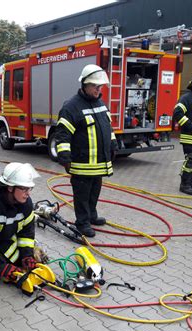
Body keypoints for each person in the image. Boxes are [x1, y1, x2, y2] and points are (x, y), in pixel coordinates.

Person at [55, 64, 118, 238]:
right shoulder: (71, 107)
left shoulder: (100, 103)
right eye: (95, 86)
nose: (99, 90)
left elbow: (108, 128)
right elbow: (63, 135)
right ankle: (82, 223)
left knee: (94, 191)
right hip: (81, 163)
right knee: (81, 195)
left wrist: (113, 144)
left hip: (98, 163)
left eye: (100, 87)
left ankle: (92, 216)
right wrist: (65, 157)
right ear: (84, 84)